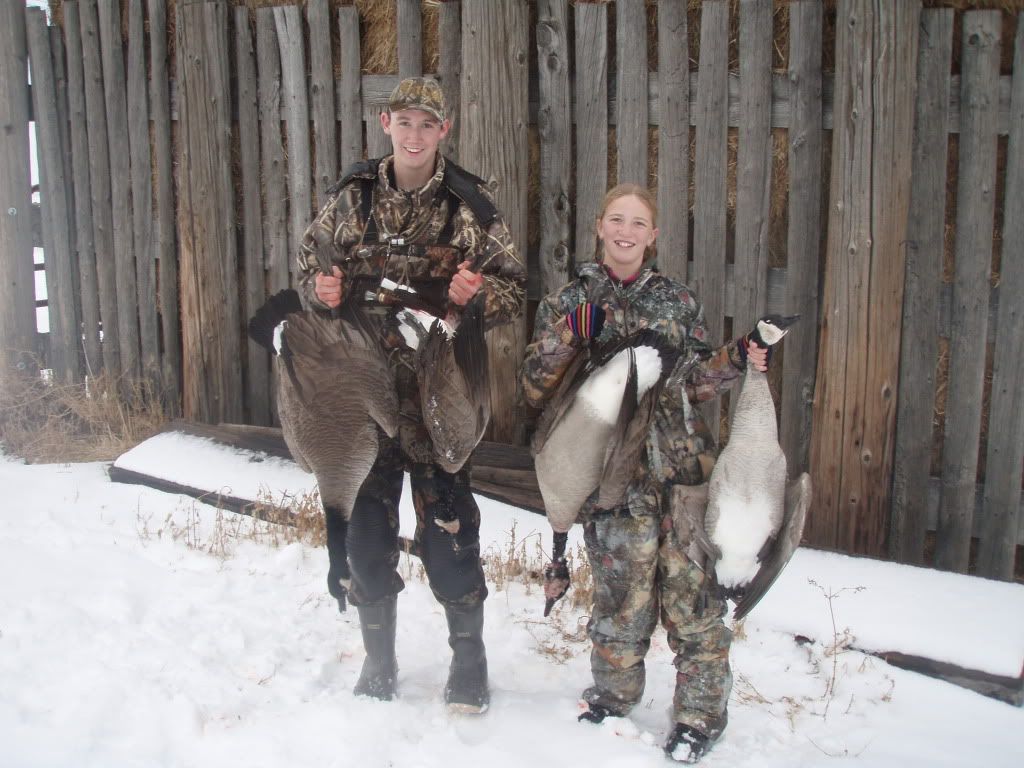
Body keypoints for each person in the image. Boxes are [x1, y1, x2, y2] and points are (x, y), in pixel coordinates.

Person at [297, 77, 525, 713]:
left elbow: (514, 290)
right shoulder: (352, 199)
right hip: (364, 403)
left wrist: (472, 298)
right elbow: (308, 264)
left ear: (444, 130)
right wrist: (324, 291)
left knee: (449, 547)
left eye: (428, 124)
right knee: (366, 546)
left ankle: (470, 664)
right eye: (405, 121)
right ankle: (378, 660)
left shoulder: (470, 207)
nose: (416, 134)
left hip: (437, 404)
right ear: (385, 122)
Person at [519, 184, 768, 762]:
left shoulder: (678, 301)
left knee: (693, 604)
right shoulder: (568, 302)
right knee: (619, 599)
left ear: (652, 236)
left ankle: (699, 718)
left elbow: (699, 383)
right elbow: (533, 389)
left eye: (639, 223)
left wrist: (742, 356)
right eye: (616, 219)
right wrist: (569, 337)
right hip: (610, 477)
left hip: (682, 474)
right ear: (600, 226)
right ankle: (613, 697)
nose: (626, 231)